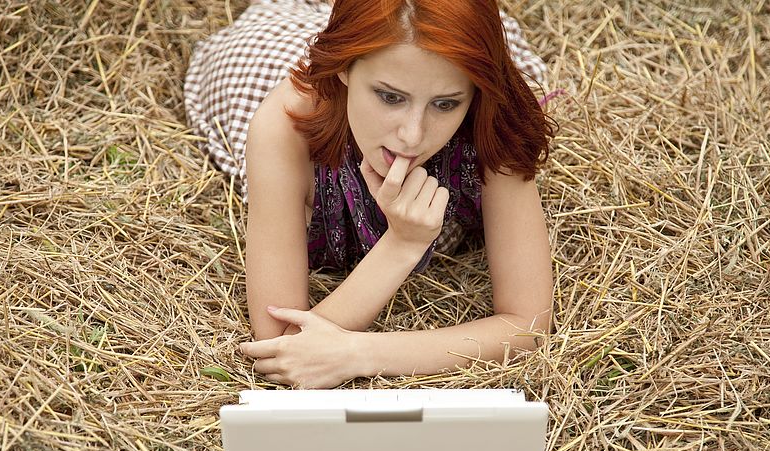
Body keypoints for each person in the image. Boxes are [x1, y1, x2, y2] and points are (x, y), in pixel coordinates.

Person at [184, 0, 556, 389]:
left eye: (445, 104)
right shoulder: (286, 126)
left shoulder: (492, 118)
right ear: (344, 68)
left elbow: (528, 325)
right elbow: (282, 344)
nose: (412, 135)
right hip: (265, 61)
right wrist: (402, 245)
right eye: (389, 97)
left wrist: (358, 353)